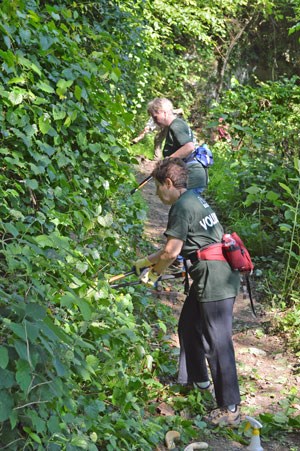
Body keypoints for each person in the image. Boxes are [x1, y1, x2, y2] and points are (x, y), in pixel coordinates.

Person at [133, 158, 241, 427]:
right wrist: (146, 261)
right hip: (215, 273)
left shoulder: (181, 207)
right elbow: (181, 246)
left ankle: (230, 408)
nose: (158, 194)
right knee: (188, 326)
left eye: (158, 187)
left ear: (169, 183)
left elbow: (171, 252)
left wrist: (155, 273)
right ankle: (199, 382)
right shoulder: (192, 199)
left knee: (218, 341)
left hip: (215, 278)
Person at [147, 98, 208, 194]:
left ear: (164, 113)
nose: (155, 121)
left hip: (192, 173)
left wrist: (167, 160)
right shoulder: (174, 125)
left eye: (155, 117)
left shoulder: (176, 126)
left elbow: (189, 147)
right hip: (190, 172)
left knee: (184, 205)